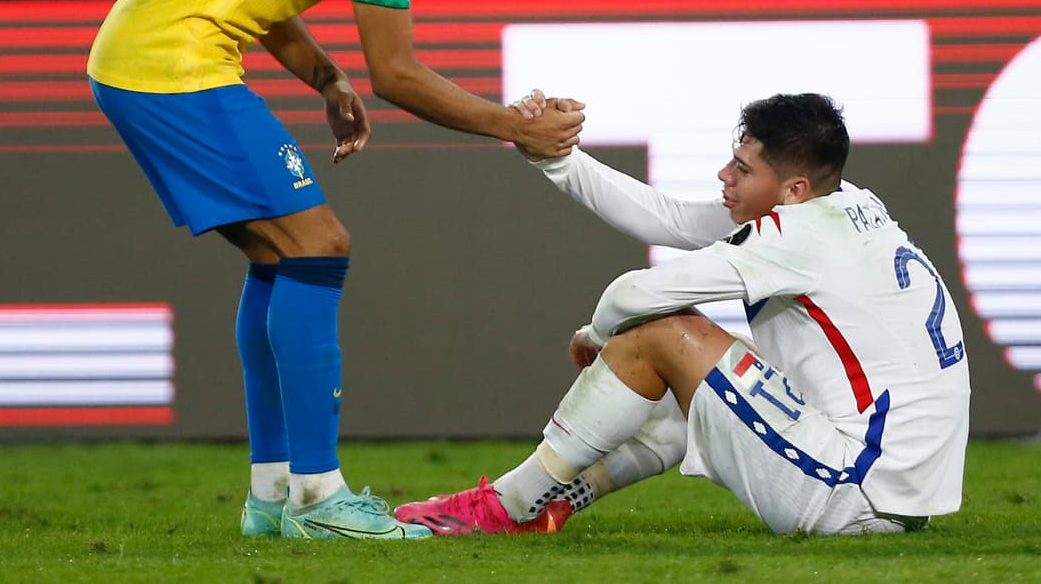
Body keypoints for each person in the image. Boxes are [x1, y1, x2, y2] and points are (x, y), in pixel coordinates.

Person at [85, 0, 585, 542]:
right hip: (176, 66)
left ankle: (273, 494)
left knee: (280, 256)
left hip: (134, 55)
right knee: (320, 244)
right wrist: (513, 126)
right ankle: (320, 498)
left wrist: (322, 74)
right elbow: (399, 74)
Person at [396, 93, 970, 537]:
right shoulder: (845, 206)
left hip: (849, 490)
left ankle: (508, 506)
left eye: (743, 168)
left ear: (793, 188)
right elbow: (670, 220)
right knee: (680, 376)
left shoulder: (796, 235)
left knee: (662, 332)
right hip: (890, 492)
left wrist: (599, 337)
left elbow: (631, 294)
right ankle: (559, 497)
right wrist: (558, 160)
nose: (726, 175)